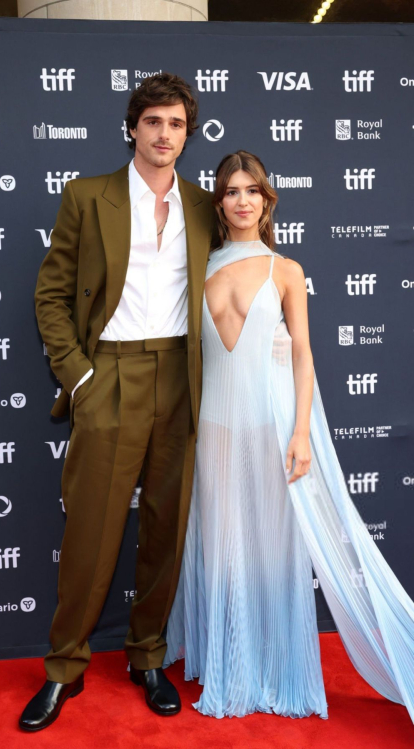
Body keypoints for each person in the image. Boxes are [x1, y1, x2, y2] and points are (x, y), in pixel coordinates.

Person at [164, 150, 414, 722]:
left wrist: (301, 430)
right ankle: (229, 665)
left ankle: (276, 667)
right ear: (219, 203)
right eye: (231, 191)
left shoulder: (285, 270)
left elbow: (303, 355)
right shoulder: (196, 267)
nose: (243, 200)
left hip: (273, 423)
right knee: (221, 547)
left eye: (253, 190)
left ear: (267, 200)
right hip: (214, 431)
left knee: (273, 549)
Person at [19, 73, 215, 732]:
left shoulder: (204, 206)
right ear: (133, 127)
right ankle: (64, 666)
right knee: (91, 532)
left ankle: (147, 654)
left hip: (182, 380)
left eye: (177, 124)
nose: (165, 134)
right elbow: (51, 295)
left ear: (189, 135)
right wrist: (79, 377)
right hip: (110, 376)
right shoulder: (87, 196)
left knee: (167, 526)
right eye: (154, 121)